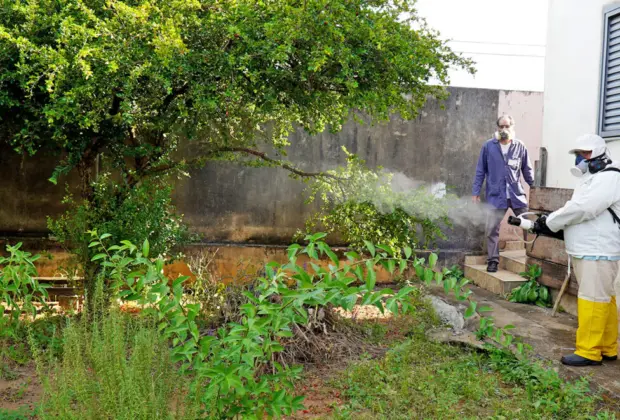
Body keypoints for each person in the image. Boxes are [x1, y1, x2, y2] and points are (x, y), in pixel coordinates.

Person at [541, 134, 620, 366]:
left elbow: (584, 208)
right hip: (590, 249)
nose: (580, 159)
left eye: (585, 154)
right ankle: (607, 347)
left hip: (598, 249)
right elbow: (574, 207)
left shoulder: (609, 177)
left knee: (592, 299)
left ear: (598, 156)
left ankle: (588, 351)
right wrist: (552, 220)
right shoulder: (593, 179)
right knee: (604, 298)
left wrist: (550, 221)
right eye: (578, 154)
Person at [472, 115, 535, 273]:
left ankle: (532, 259)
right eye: (501, 127)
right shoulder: (488, 146)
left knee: (529, 225)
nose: (504, 130)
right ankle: (493, 261)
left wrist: (535, 186)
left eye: (507, 126)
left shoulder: (520, 146)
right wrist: (475, 192)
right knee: (492, 229)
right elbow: (480, 170)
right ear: (497, 128)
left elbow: (527, 169)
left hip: (516, 195)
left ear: (512, 128)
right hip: (495, 195)